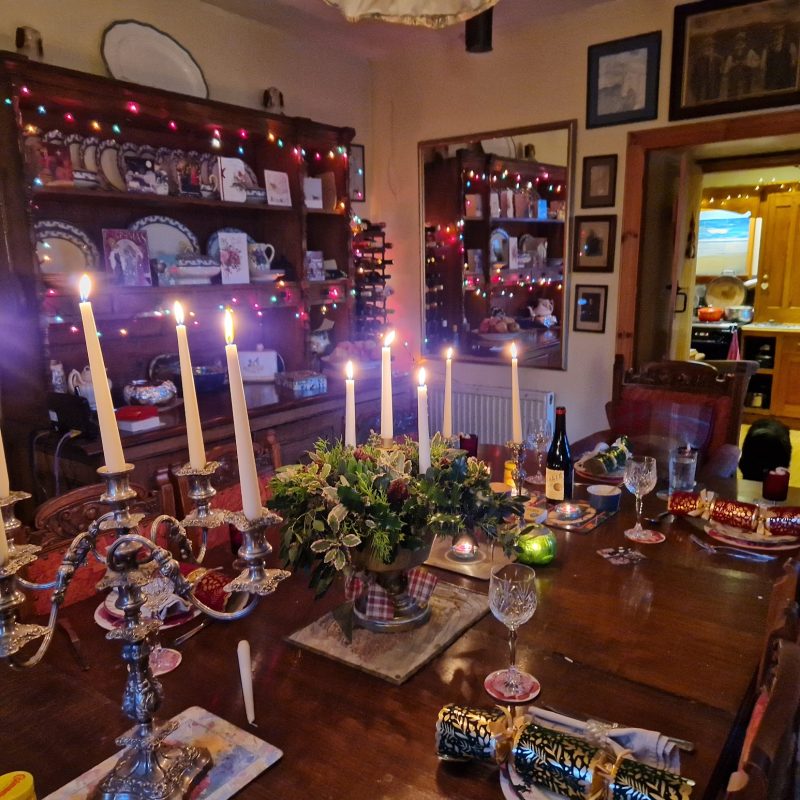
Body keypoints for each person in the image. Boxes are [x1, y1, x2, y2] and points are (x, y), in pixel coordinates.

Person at [723, 31, 760, 98]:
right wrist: (733, 64)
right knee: (733, 92)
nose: (739, 42)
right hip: (734, 76)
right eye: (738, 41)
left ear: (744, 41)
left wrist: (748, 63)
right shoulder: (732, 53)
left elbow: (757, 61)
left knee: (746, 91)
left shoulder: (750, 51)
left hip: (746, 74)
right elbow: (727, 66)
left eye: (741, 40)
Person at [762, 24, 798, 91]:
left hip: (785, 77)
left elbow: (793, 63)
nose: (777, 36)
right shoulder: (768, 49)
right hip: (772, 79)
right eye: (775, 34)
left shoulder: (790, 46)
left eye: (779, 34)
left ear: (782, 34)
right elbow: (764, 65)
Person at [690, 36, 723, 103]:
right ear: (703, 48)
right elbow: (693, 78)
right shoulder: (698, 61)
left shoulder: (718, 59)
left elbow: (722, 74)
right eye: (707, 46)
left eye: (711, 46)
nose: (709, 48)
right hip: (702, 91)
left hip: (715, 90)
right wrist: (696, 92)